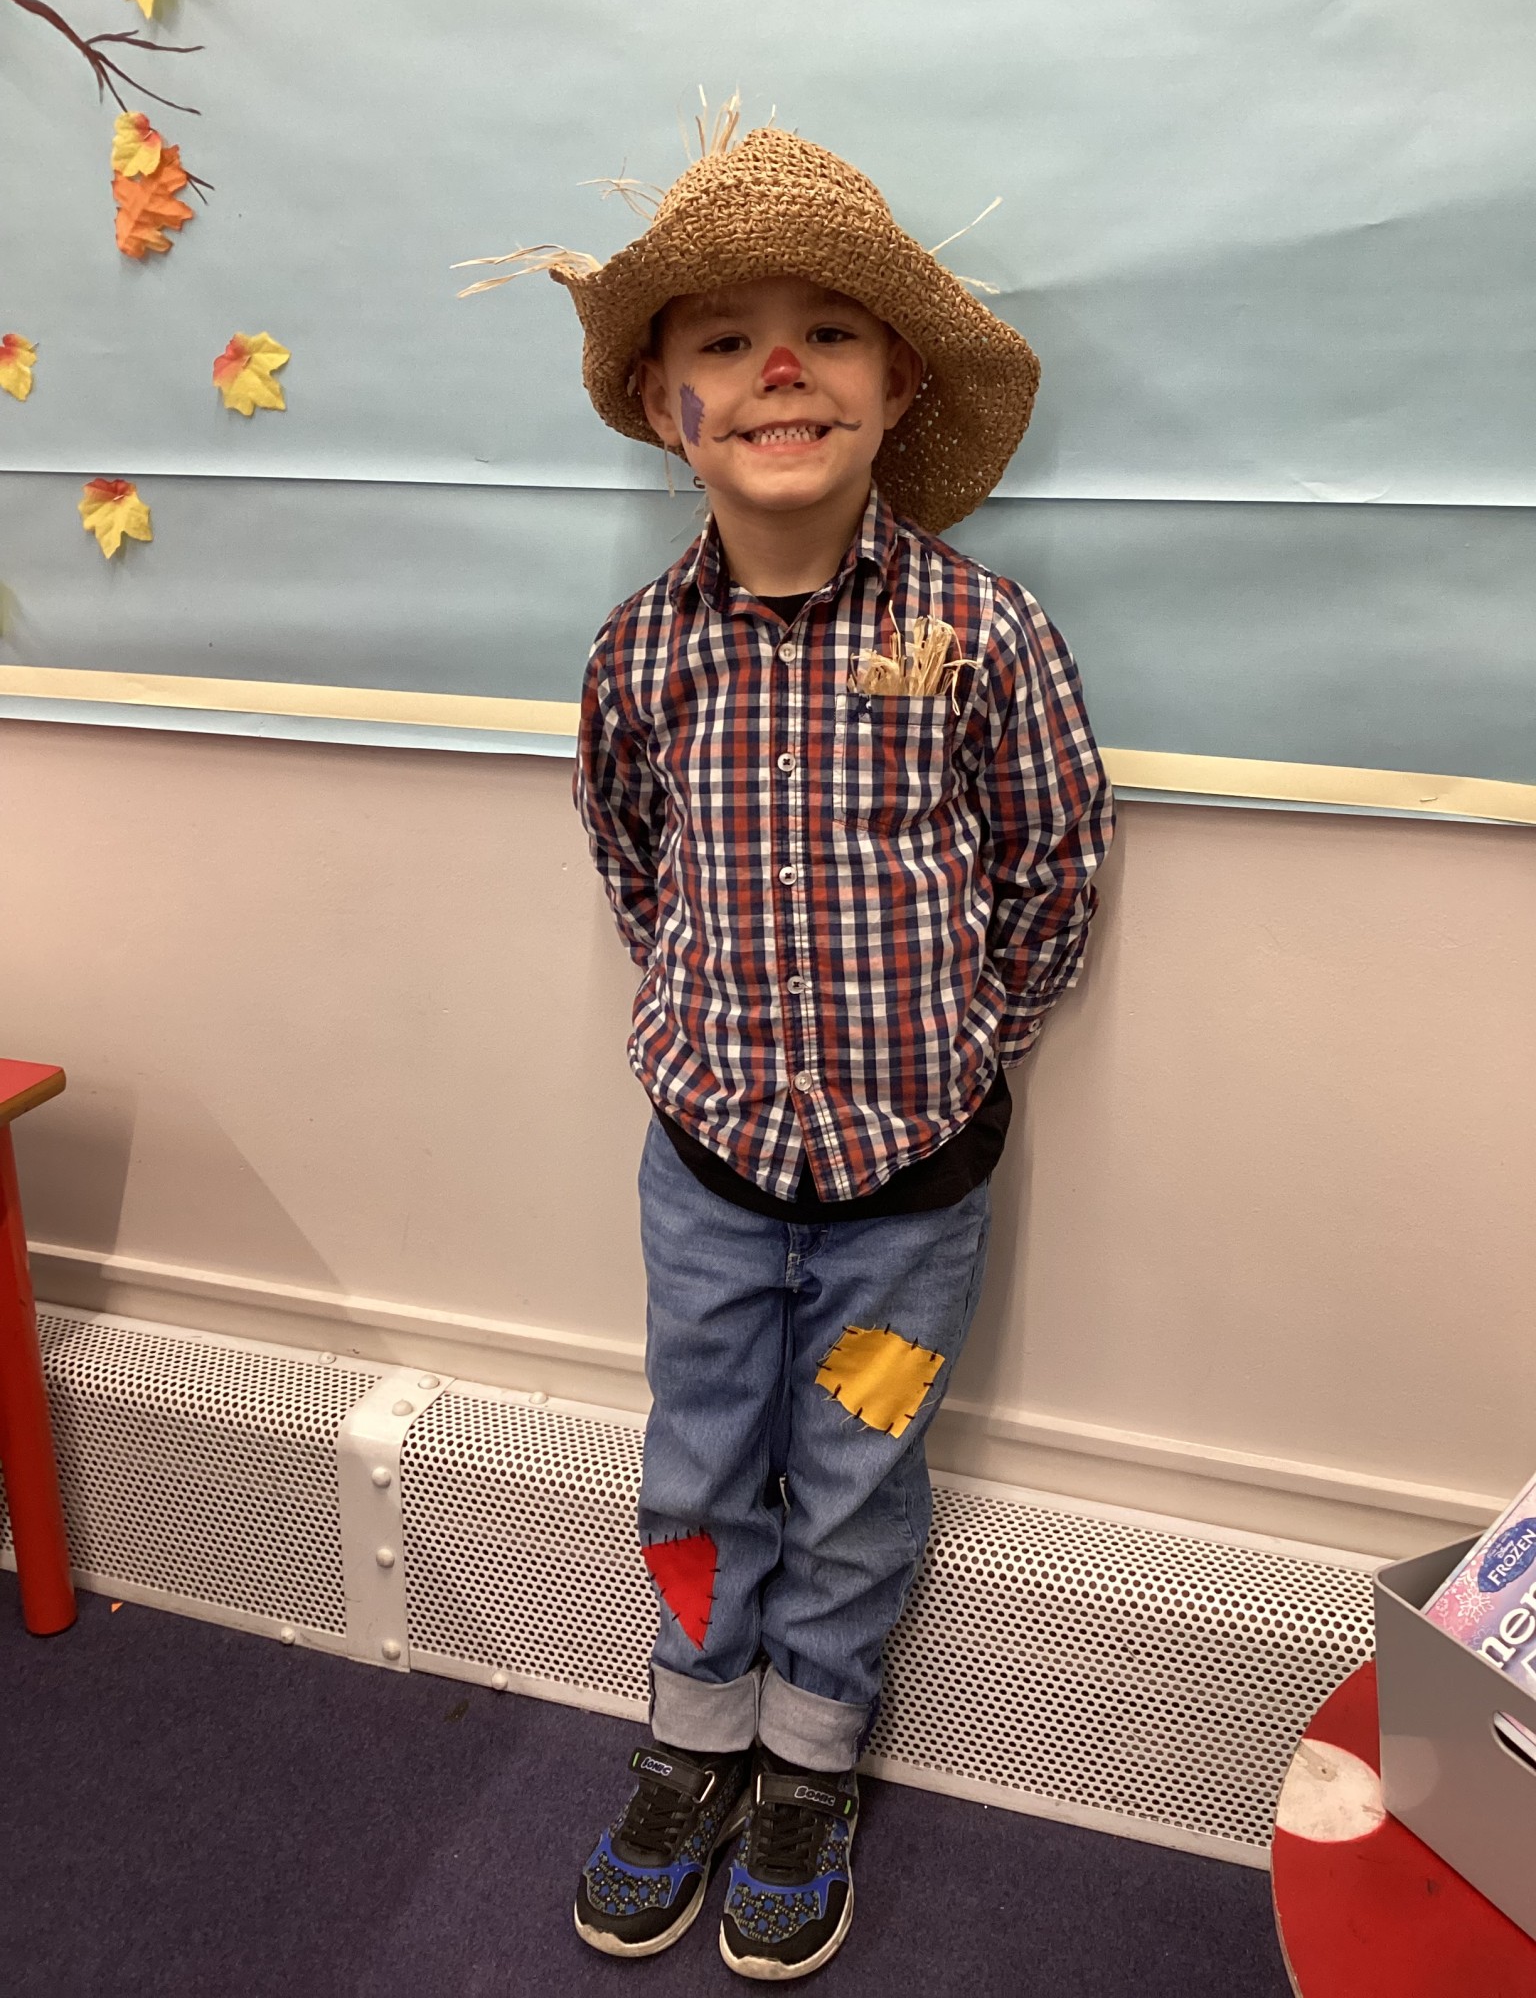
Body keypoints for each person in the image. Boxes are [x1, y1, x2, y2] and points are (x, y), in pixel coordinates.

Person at [473, 111, 1113, 1980]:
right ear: (670, 403)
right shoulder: (640, 656)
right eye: (726, 340)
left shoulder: (983, 632)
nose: (776, 369)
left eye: (826, 333)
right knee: (697, 1465)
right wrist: (705, 1032)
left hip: (917, 1190)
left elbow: (1054, 863)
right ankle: (693, 1727)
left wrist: (968, 1043)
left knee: (851, 1483)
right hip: (707, 1168)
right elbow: (628, 855)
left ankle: (812, 1760)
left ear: (894, 384)